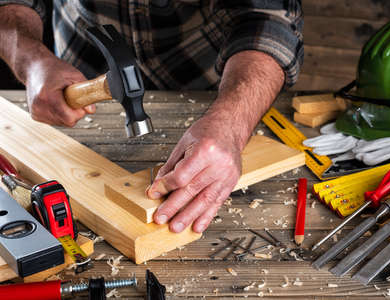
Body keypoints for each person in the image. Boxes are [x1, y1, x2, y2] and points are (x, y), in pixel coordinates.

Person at [0, 1, 303, 234]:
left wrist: (232, 123)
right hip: (75, 65)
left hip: (212, 83)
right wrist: (30, 59)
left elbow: (269, 18)